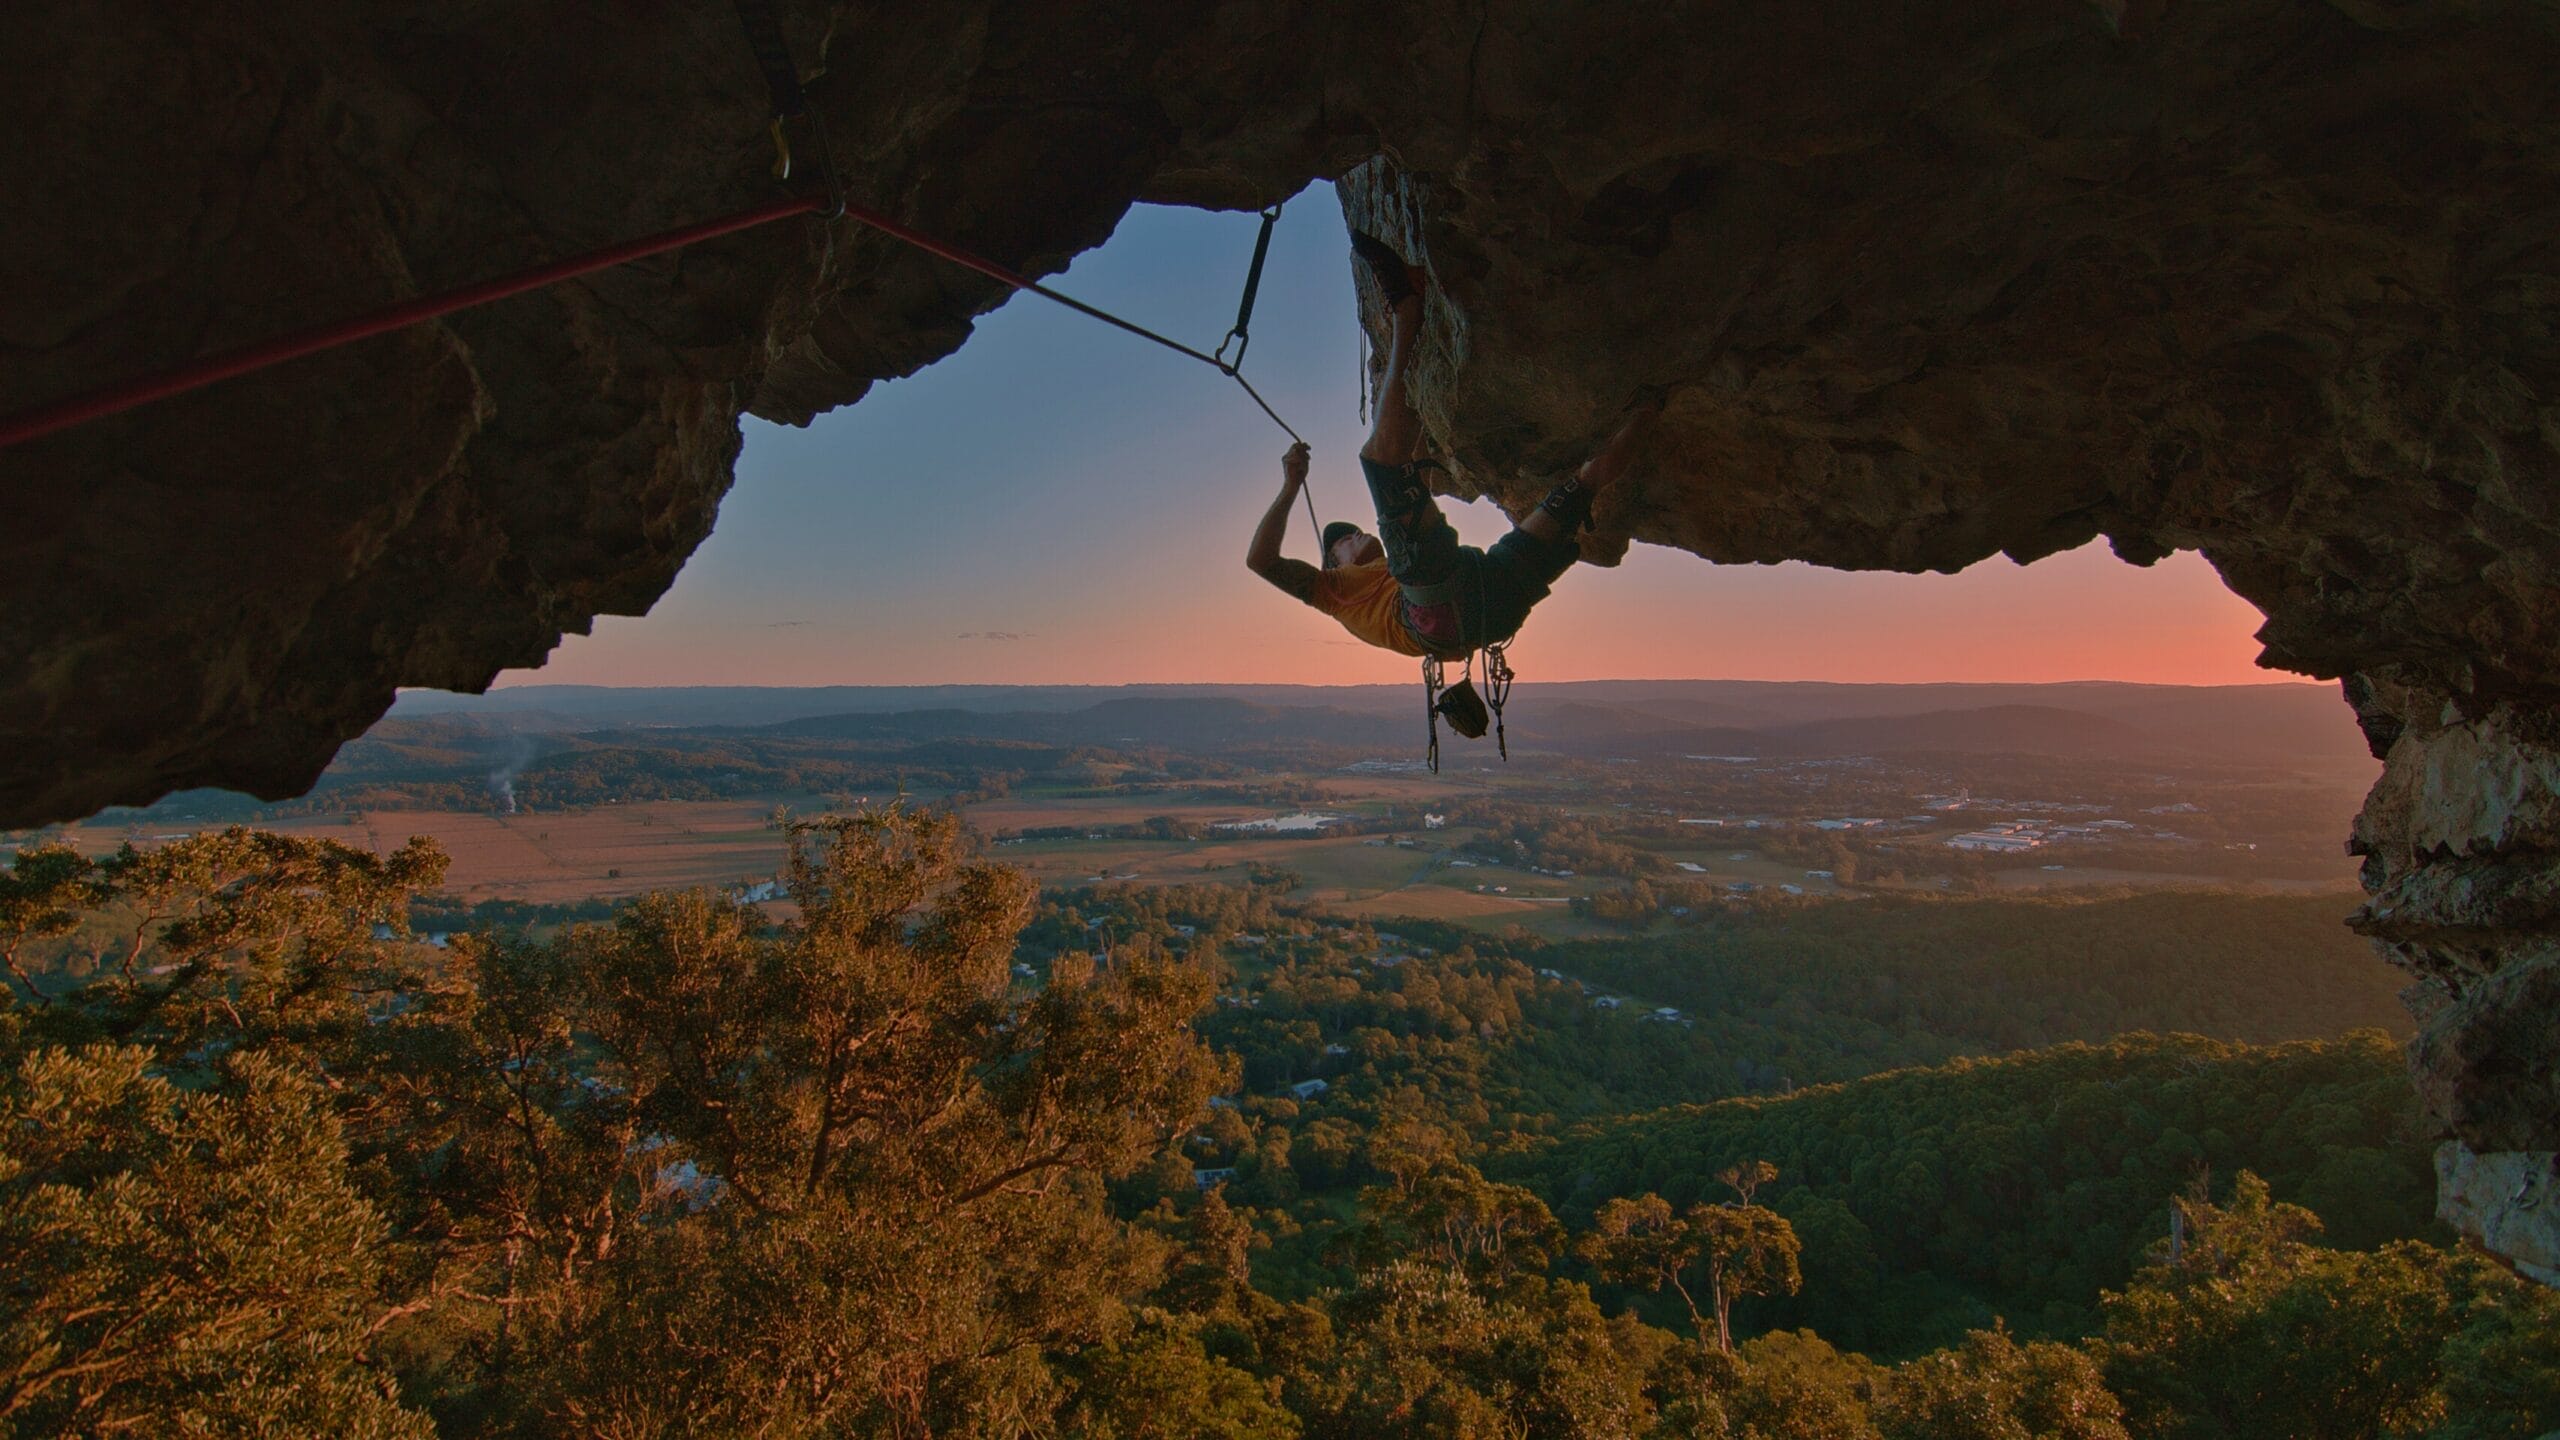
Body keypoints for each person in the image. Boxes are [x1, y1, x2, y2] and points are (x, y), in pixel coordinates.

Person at [1245, 231, 1657, 664]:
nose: (1356, 534)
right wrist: (1291, 485)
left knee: (1584, 484)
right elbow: (1262, 560)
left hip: (1488, 600)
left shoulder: (1395, 569)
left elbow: (1418, 480)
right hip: (1439, 608)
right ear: (1333, 564)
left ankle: (1655, 402)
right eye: (1344, 540)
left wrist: (1419, 409)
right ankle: (1409, 312)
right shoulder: (1331, 591)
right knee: (1379, 463)